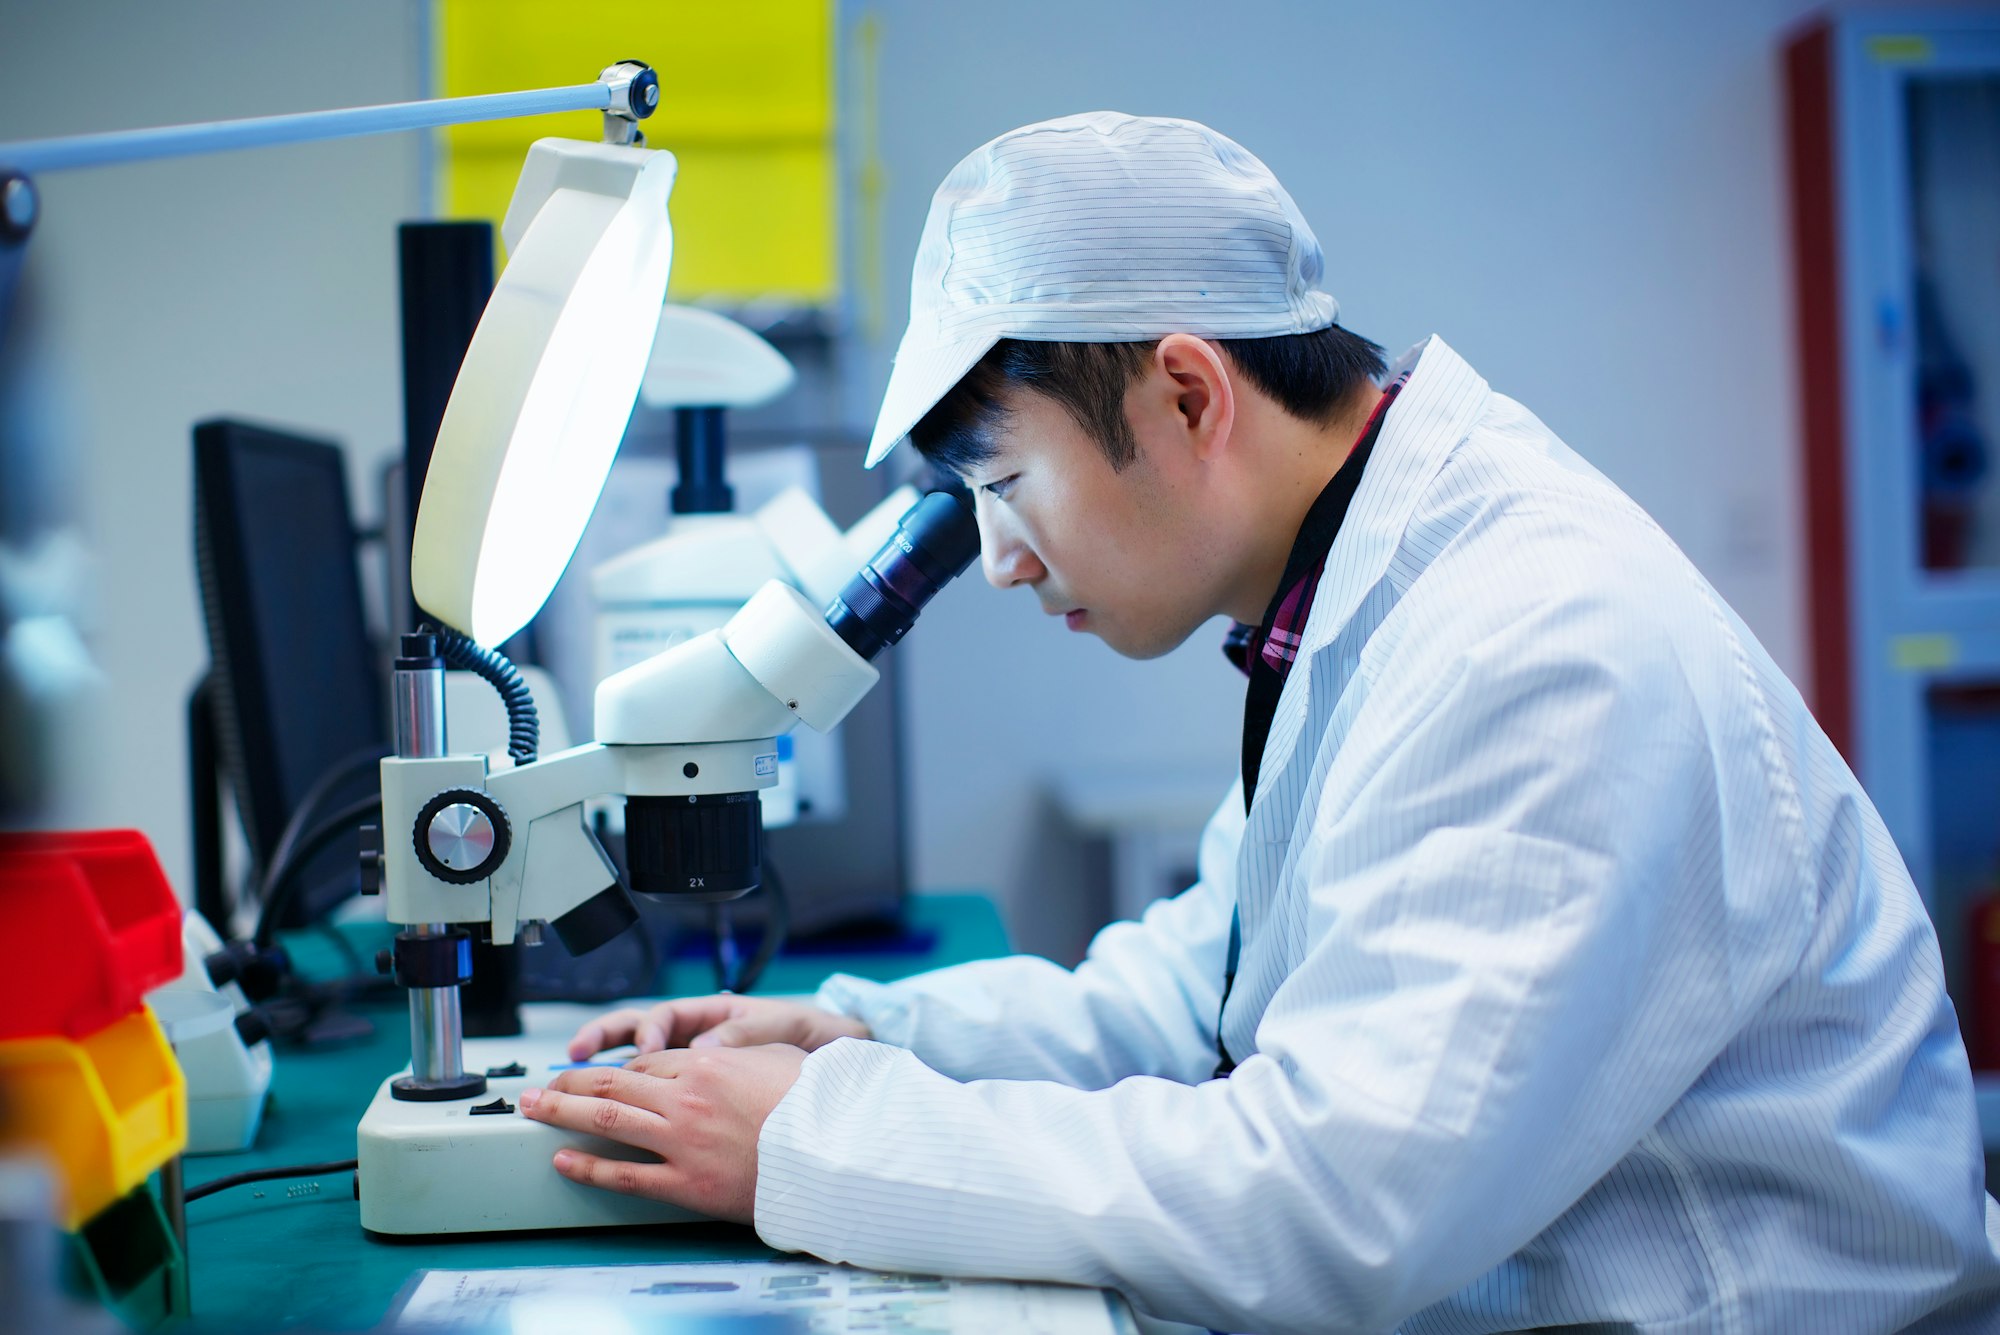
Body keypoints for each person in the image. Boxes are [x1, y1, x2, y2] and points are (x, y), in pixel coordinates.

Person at [518, 112, 2000, 1333]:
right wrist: (859, 1032)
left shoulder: (1542, 643)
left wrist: (809, 1143)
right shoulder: (1353, 593)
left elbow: (1339, 1208)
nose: (1006, 558)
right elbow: (1199, 994)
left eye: (1009, 482)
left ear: (1184, 393)